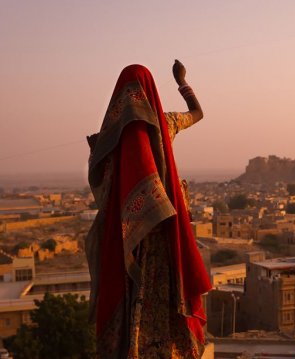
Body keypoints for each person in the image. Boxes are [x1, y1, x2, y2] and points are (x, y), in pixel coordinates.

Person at [86, 61, 211, 358]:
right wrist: (182, 82)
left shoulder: (109, 134)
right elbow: (198, 113)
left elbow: (103, 181)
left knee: (131, 291)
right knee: (166, 291)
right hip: (164, 227)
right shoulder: (165, 122)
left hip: (127, 232)